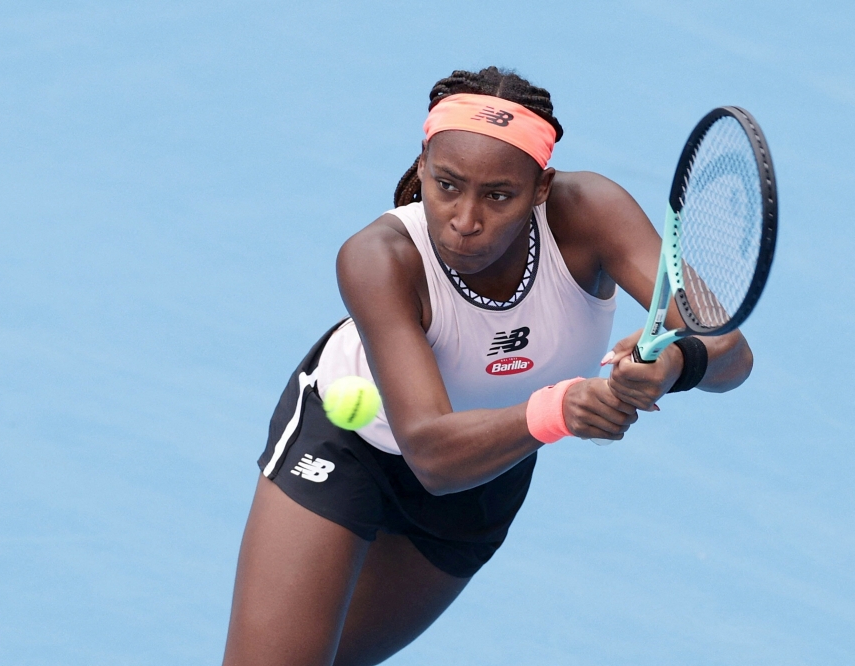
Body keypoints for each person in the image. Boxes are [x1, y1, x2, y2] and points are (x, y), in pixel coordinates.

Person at [222, 66, 752, 666]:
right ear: (422, 164)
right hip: (346, 449)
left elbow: (731, 352)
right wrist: (561, 408)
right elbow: (432, 454)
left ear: (541, 187)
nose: (465, 219)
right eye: (446, 185)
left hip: (485, 474)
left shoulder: (591, 214)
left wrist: (676, 362)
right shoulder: (378, 258)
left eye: (499, 195)